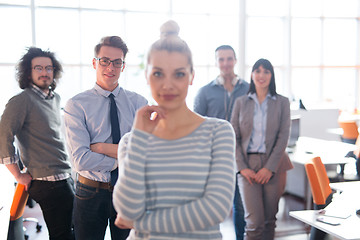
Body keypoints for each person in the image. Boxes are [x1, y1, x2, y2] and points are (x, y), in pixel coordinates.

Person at [112, 20, 236, 239]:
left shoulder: (218, 132)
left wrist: (140, 223)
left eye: (178, 74)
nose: (167, 85)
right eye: (158, 74)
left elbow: (215, 209)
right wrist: (140, 137)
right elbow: (128, 210)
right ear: (147, 76)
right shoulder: (132, 141)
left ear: (191, 76)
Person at [64, 36, 148, 240]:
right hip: (90, 191)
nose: (111, 67)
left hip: (129, 189)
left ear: (123, 66)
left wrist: (101, 148)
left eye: (117, 62)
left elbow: (146, 152)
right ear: (95, 63)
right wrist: (125, 156)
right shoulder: (76, 105)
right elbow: (80, 160)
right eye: (105, 61)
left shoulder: (139, 103)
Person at [0, 47, 75, 240]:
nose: (44, 72)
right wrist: (18, 174)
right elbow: (3, 136)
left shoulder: (54, 98)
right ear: (28, 72)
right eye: (38, 68)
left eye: (49, 68)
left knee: (72, 230)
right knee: (63, 235)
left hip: (64, 176)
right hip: (46, 181)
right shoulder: (21, 101)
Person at [230, 58, 293, 240]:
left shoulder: (282, 102)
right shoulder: (241, 102)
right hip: (246, 164)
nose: (261, 75)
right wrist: (242, 167)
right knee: (253, 223)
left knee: (269, 221)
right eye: (257, 71)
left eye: (266, 71)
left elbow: (283, 137)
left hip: (274, 164)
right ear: (252, 75)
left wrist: (269, 168)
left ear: (271, 76)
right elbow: (234, 136)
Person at [194, 44, 249, 239]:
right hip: (214, 159)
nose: (225, 63)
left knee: (241, 206)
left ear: (235, 60)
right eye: (221, 59)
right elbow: (196, 127)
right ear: (216, 62)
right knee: (212, 206)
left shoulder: (248, 89)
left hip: (242, 159)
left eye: (229, 59)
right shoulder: (204, 92)